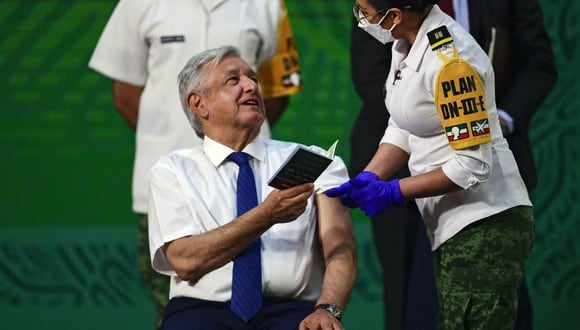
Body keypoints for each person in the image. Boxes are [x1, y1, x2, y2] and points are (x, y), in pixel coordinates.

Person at [87, 1, 302, 327]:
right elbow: (125, 90)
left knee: (268, 291)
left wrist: (232, 141)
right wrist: (191, 157)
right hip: (165, 186)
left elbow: (275, 90)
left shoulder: (268, 4)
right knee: (172, 298)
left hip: (250, 178)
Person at [348, 0, 557, 328]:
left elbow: (471, 165)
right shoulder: (404, 43)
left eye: (365, 11)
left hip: (484, 224)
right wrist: (369, 177)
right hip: (451, 222)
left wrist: (394, 190)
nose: (361, 19)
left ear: (395, 16)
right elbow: (403, 123)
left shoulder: (452, 62)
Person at [147, 45, 358, 330]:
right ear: (199, 104)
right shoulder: (172, 170)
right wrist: (266, 215)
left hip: (292, 312)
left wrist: (327, 309)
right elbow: (185, 260)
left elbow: (341, 248)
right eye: (233, 80)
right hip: (200, 312)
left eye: (253, 79)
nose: (250, 86)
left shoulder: (313, 160)